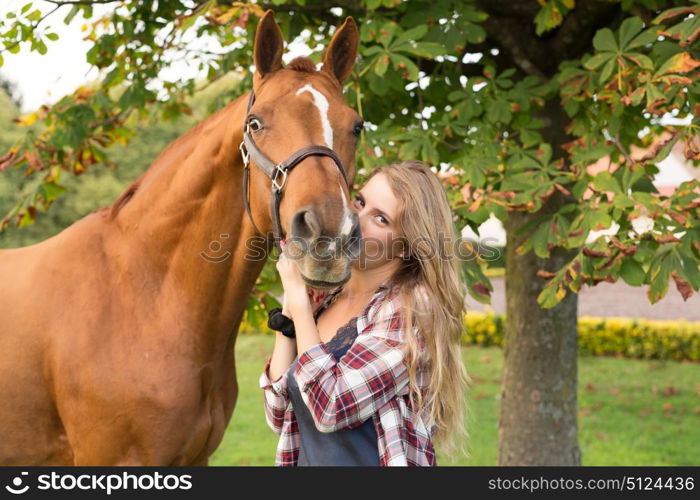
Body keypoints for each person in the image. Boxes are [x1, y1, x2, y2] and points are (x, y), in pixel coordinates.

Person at [259, 160, 472, 466]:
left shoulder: (412, 308)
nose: (356, 218)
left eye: (381, 218)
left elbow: (330, 407)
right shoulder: (329, 298)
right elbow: (278, 414)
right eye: (359, 201)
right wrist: (291, 319)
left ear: (406, 246)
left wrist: (301, 307)